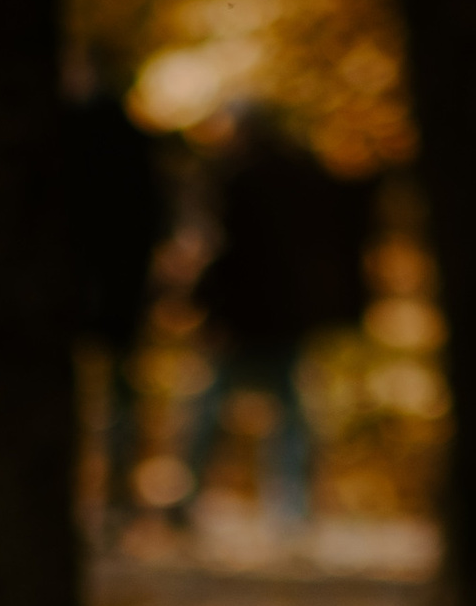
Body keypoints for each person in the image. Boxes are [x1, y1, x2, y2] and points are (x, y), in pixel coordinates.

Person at [175, 103, 373, 528]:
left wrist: (203, 303)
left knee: (211, 409)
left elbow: (223, 249)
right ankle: (290, 510)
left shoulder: (237, 178)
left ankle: (191, 500)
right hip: (289, 316)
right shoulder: (306, 176)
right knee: (288, 413)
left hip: (244, 319)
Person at [64, 68, 168, 519]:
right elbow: (157, 218)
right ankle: (117, 493)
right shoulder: (135, 141)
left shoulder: (65, 136)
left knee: (80, 395)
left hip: (73, 289)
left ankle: (90, 492)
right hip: (126, 289)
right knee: (121, 394)